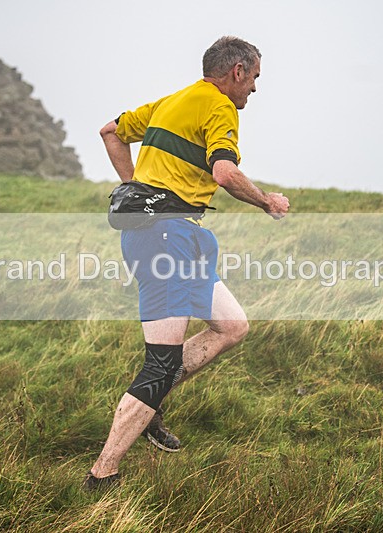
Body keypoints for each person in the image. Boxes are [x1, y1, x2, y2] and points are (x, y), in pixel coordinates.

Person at [84, 36, 290, 490]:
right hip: (165, 239)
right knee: (161, 364)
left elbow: (110, 131)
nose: (254, 88)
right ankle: (103, 474)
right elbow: (225, 173)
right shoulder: (220, 107)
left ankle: (150, 408)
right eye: (254, 78)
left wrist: (138, 190)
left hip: (184, 235)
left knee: (232, 325)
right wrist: (266, 202)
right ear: (237, 71)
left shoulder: (171, 101)